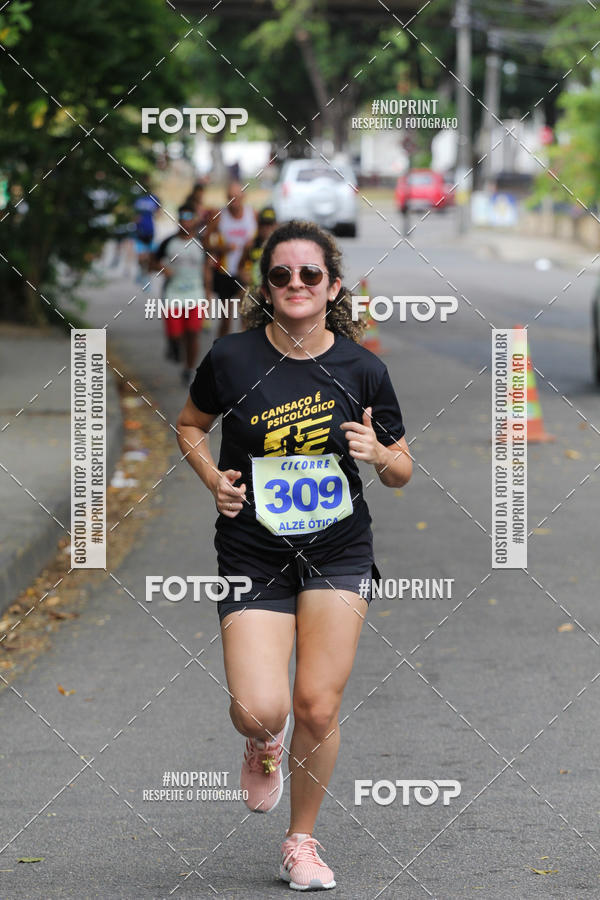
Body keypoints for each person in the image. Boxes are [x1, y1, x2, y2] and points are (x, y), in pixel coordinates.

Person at [175, 220, 412, 892]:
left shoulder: (363, 369)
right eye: (282, 275)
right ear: (267, 287)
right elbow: (190, 426)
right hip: (253, 550)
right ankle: (260, 742)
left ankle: (301, 842)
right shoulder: (233, 359)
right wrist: (213, 479)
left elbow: (402, 471)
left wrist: (380, 455)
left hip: (338, 549)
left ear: (333, 285)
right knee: (261, 707)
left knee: (315, 705)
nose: (296, 285)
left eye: (310, 274)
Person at [152, 204, 208, 385]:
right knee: (176, 335)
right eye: (182, 217)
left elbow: (207, 271)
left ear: (194, 220)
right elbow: (151, 263)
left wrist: (207, 296)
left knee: (193, 333)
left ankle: (189, 368)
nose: (185, 221)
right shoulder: (168, 242)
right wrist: (162, 268)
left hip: (195, 294)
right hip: (173, 295)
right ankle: (174, 344)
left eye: (189, 217)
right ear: (178, 220)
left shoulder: (200, 243)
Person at [209, 181, 256, 339]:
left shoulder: (252, 214)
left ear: (244, 196)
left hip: (246, 273)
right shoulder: (219, 216)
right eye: (230, 197)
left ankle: (242, 357)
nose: (233, 201)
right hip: (224, 273)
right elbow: (205, 243)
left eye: (236, 197)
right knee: (225, 321)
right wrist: (223, 248)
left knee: (245, 318)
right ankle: (219, 354)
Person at [239, 205, 277, 289]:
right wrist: (245, 278)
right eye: (263, 224)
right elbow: (240, 267)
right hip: (256, 288)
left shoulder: (280, 246)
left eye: (270, 224)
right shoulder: (251, 244)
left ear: (275, 225)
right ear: (258, 225)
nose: (266, 228)